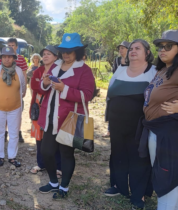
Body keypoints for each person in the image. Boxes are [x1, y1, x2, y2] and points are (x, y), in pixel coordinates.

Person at [37, 33, 95, 199]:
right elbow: (43, 88)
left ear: (77, 51)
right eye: (63, 50)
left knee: (66, 154)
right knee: (46, 152)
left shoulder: (84, 70)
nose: (66, 54)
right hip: (51, 117)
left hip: (70, 119)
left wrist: (65, 89)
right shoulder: (55, 66)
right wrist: (45, 83)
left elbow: (87, 95)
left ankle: (64, 187)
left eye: (70, 51)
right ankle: (53, 182)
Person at [135, 30, 178, 210]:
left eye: (168, 46)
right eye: (160, 46)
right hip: (156, 128)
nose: (162, 50)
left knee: (166, 177)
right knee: (168, 174)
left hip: (169, 131)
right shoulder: (164, 70)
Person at [104, 39, 155, 209]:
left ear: (147, 52)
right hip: (117, 124)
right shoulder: (120, 70)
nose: (133, 51)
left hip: (140, 127)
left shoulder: (154, 72)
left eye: (137, 48)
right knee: (118, 155)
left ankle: (138, 194)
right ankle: (119, 187)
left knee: (138, 159)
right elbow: (110, 95)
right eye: (131, 48)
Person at [0, 46, 26, 167]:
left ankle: (12, 157)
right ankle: (0, 156)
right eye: (5, 57)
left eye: (9, 57)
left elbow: (23, 87)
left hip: (15, 108)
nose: (7, 59)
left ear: (13, 58)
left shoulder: (18, 71)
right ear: (1, 58)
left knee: (14, 133)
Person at [29, 45, 61, 177]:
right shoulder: (38, 70)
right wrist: (44, 84)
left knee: (55, 136)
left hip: (53, 107)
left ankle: (58, 166)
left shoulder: (59, 70)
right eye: (44, 54)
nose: (46, 56)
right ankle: (41, 163)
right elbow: (33, 85)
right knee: (39, 136)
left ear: (56, 57)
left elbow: (57, 87)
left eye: (49, 54)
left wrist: (44, 85)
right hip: (38, 106)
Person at [0, 38, 28, 143]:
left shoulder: (21, 59)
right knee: (4, 112)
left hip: (17, 91)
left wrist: (25, 89)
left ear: (17, 47)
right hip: (3, 90)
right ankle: (4, 132)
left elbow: (24, 74)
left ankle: (18, 132)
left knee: (18, 112)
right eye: (9, 45)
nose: (11, 47)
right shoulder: (1, 59)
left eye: (13, 45)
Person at [103, 40, 130, 138]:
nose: (120, 50)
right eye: (119, 48)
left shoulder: (132, 61)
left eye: (123, 48)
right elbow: (115, 74)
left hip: (127, 88)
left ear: (128, 49)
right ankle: (110, 130)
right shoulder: (117, 60)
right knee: (111, 106)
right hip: (115, 86)